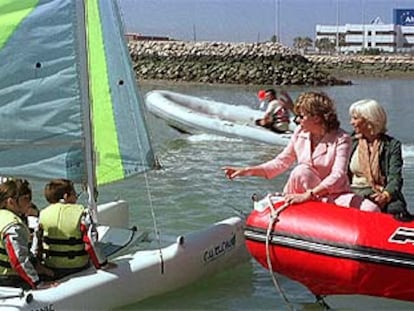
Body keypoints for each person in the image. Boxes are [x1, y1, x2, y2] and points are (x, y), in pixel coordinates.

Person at [223, 91, 379, 212]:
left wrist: (309, 194)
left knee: (371, 209)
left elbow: (338, 175)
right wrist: (246, 170)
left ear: (317, 118)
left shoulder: (342, 138)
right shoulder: (299, 133)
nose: (296, 120)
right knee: (302, 171)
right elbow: (280, 162)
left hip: (333, 195)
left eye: (301, 116)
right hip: (301, 194)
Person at [348, 99, 410, 217]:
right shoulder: (350, 142)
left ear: (369, 120)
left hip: (380, 191)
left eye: (355, 118)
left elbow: (395, 177)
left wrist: (386, 195)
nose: (351, 122)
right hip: (354, 191)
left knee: (395, 209)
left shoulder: (392, 145)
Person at [39, 178, 108, 280]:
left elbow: (37, 244)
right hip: (77, 267)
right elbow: (90, 242)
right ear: (66, 196)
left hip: (51, 266)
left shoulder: (42, 214)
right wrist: (103, 264)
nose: (76, 197)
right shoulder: (81, 214)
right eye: (74, 194)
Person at [0, 179, 54, 289]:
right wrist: (38, 283)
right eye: (26, 199)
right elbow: (18, 260)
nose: (30, 202)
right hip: (9, 280)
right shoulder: (13, 226)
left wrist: (38, 266)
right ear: (11, 202)